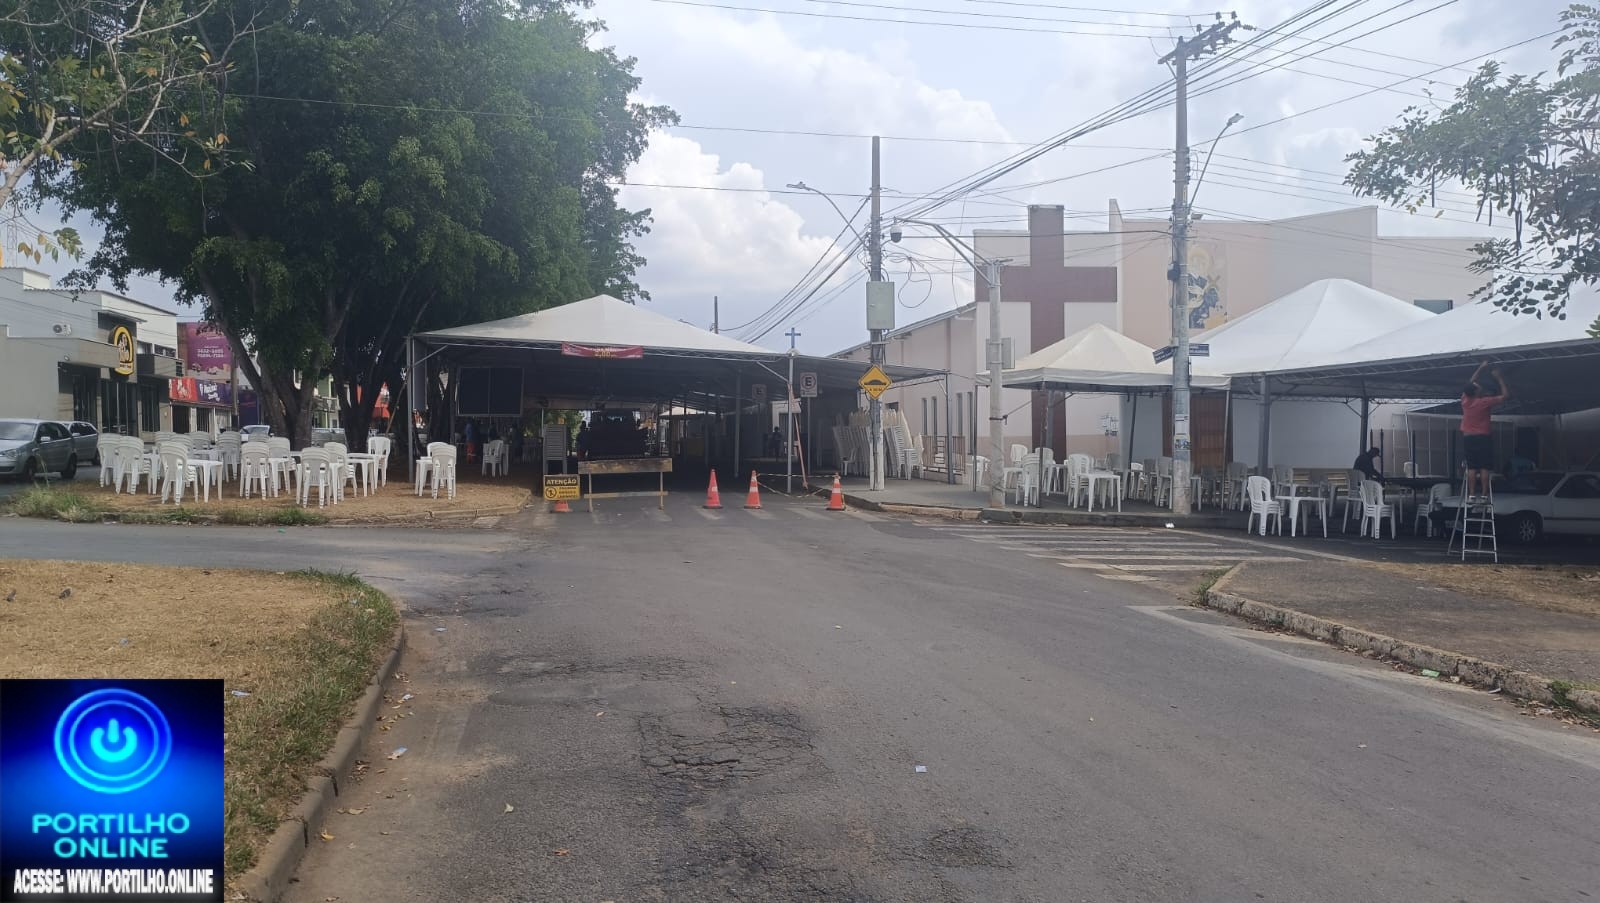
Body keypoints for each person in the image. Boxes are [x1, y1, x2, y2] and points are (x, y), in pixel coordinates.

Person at [1460, 362, 1510, 501]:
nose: (1478, 385)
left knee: (1471, 467)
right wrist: (1499, 377)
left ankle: (1471, 495)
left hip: (1468, 437)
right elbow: (1505, 395)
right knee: (1484, 467)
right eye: (1477, 386)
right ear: (1476, 392)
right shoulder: (1484, 402)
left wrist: (1480, 368)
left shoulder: (1465, 400)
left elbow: (1470, 383)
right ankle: (1483, 495)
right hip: (1483, 437)